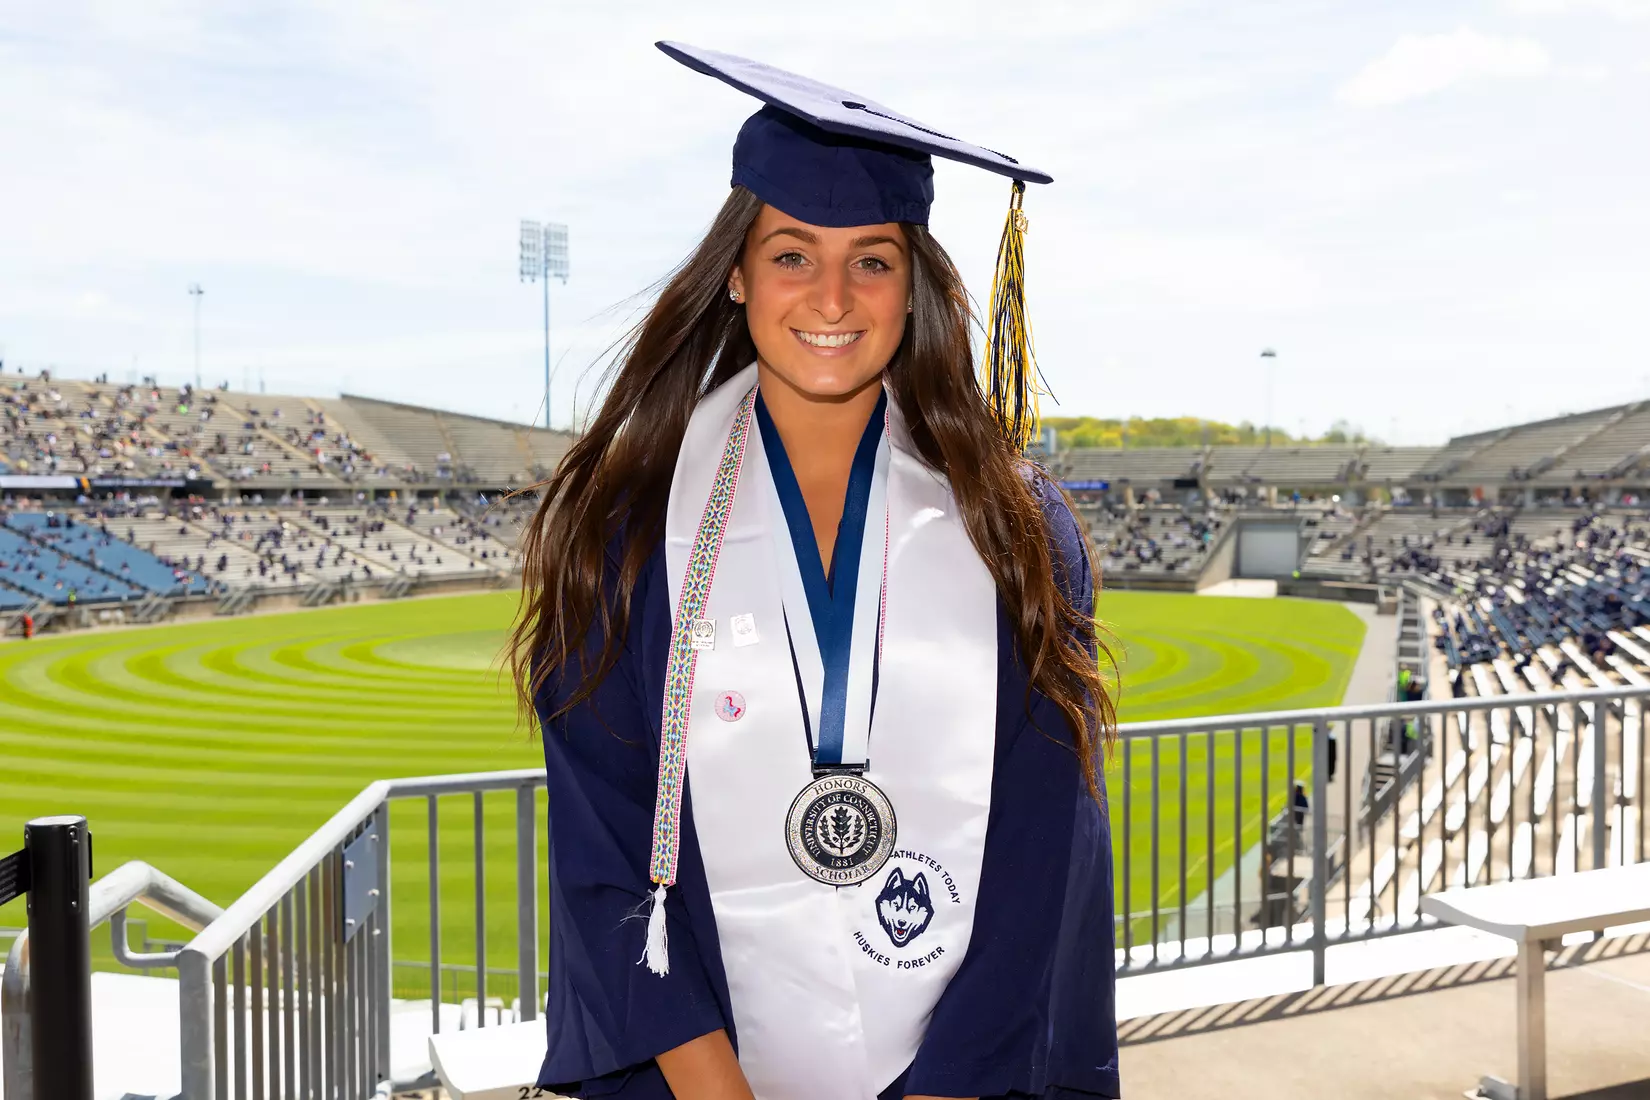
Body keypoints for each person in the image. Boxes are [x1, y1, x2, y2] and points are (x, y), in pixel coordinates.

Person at [511, 42, 1121, 1100]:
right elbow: (606, 848)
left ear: (912, 282)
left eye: (872, 258)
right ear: (737, 272)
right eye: (793, 253)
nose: (833, 294)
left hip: (966, 1071)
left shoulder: (1017, 527)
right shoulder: (626, 524)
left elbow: (1042, 850)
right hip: (694, 1073)